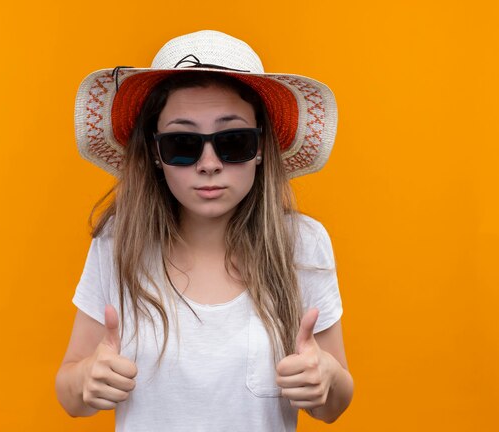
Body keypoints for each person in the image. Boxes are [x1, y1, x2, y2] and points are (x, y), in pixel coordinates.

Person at [56, 30, 353, 431]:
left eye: (233, 142)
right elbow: (70, 388)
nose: (209, 163)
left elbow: (334, 403)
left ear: (262, 146)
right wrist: (87, 379)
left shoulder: (302, 244)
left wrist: (326, 379)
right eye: (183, 143)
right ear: (156, 154)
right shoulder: (118, 244)